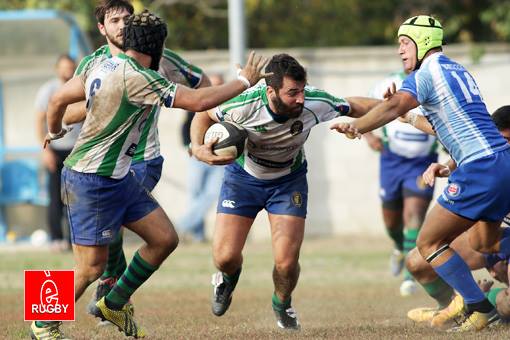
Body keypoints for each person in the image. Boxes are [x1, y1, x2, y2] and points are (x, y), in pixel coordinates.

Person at [29, 9, 269, 339]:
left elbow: (58, 99)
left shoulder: (101, 63)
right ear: (157, 50)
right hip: (91, 180)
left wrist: (55, 130)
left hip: (119, 177)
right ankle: (42, 322)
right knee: (89, 268)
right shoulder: (141, 77)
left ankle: (113, 302)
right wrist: (244, 82)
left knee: (164, 239)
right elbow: (197, 100)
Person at [331, 15, 510, 332]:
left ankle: (479, 308)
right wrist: (414, 123)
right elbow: (451, 125)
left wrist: (356, 126)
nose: (400, 51)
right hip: (501, 163)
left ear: (422, 41)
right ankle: (475, 301)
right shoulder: (456, 69)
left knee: (429, 242)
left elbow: (392, 107)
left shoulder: (427, 73)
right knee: (485, 242)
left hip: (480, 168)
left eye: (404, 42)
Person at [191, 53, 381, 330]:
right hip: (243, 179)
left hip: (287, 182)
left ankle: (283, 304)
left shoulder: (314, 102)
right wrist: (198, 148)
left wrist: (401, 108)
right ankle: (227, 279)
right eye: (293, 93)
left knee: (286, 262)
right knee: (224, 257)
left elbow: (354, 104)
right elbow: (203, 112)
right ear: (271, 91)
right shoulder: (242, 103)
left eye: (302, 91)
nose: (301, 99)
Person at [64, 0, 213, 317]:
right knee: (90, 265)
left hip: (141, 161)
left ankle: (112, 295)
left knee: (163, 238)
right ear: (102, 28)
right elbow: (65, 104)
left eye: (126, 19)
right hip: (95, 171)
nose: (122, 25)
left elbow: (201, 89)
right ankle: (64, 307)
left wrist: (207, 128)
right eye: (114, 20)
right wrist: (82, 111)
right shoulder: (95, 64)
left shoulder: (158, 60)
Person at [402, 105, 510, 326]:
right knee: (417, 261)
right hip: (489, 239)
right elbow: (457, 147)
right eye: (499, 140)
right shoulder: (487, 150)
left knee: (508, 306)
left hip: (504, 241)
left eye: (508, 141)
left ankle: (486, 301)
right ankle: (456, 306)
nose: (502, 147)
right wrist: (446, 167)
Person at [364, 69, 437, 296]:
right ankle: (398, 247)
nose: (403, 50)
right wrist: (369, 136)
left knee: (414, 215)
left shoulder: (436, 84)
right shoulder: (387, 83)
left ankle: (409, 276)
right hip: (391, 160)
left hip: (422, 162)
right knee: (391, 221)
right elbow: (367, 111)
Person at [34, 55, 80, 251]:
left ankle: (74, 239)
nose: (68, 71)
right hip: (55, 150)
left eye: (71, 67)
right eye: (64, 67)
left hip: (77, 150)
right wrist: (45, 151)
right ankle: (56, 239)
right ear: (57, 69)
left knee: (75, 197)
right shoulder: (48, 90)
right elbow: (38, 121)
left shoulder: (81, 87)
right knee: (55, 196)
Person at [177, 74, 226, 242]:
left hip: (218, 156)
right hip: (196, 155)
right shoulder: (199, 103)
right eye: (212, 84)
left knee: (212, 194)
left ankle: (181, 226)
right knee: (195, 195)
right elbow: (186, 126)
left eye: (218, 85)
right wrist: (189, 147)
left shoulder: (227, 105)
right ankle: (198, 236)